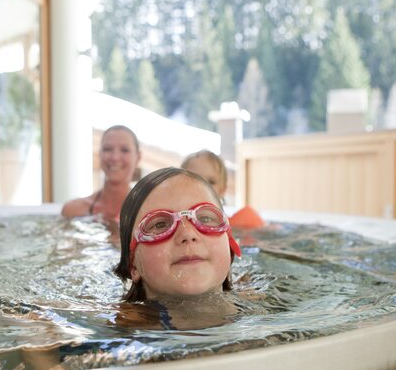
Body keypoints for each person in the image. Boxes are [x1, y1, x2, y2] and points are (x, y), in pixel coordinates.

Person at [114, 167, 241, 305]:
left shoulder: (265, 311)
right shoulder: (116, 324)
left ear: (229, 247)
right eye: (160, 225)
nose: (187, 234)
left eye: (205, 219)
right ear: (133, 266)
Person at [61, 124, 141, 222]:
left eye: (124, 150)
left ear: (138, 157)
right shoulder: (73, 210)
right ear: (99, 154)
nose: (115, 157)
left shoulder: (145, 210)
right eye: (107, 149)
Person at [182, 149, 264, 230]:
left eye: (211, 182)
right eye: (195, 180)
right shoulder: (178, 224)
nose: (203, 187)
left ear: (222, 190)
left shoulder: (236, 225)